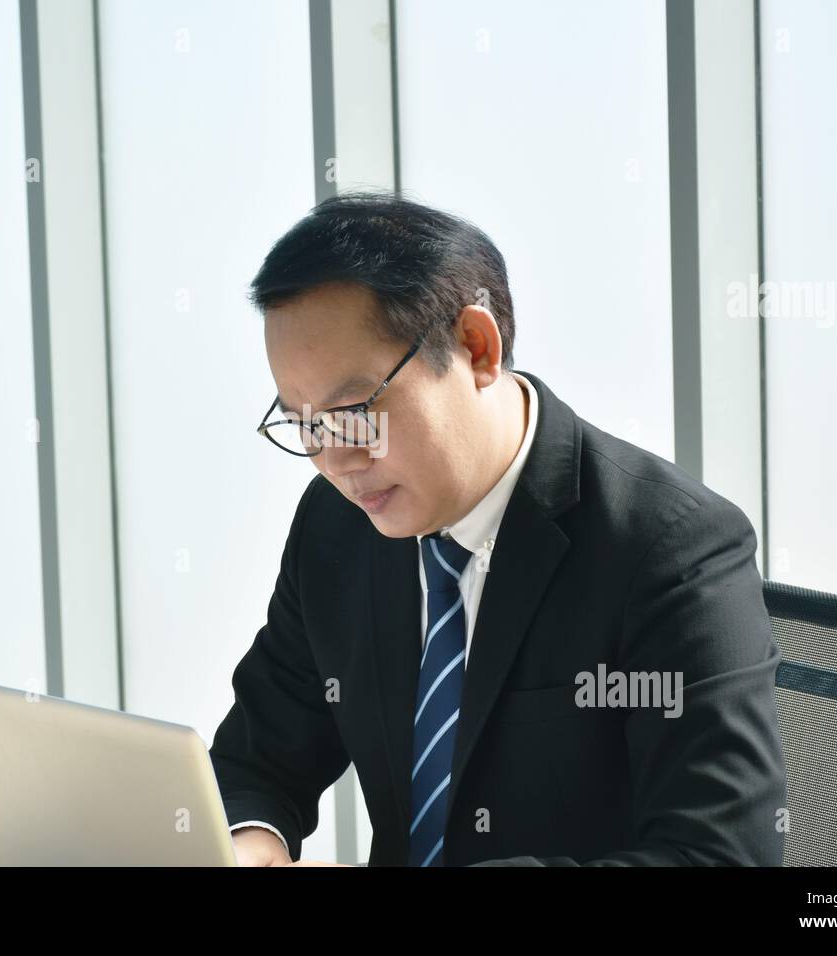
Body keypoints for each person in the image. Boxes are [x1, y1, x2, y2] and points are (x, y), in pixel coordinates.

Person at [208, 191, 787, 867]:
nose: (337, 460)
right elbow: (256, 759)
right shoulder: (336, 528)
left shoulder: (670, 549)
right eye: (306, 424)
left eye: (355, 409)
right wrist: (250, 847)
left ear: (477, 347)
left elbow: (721, 858)